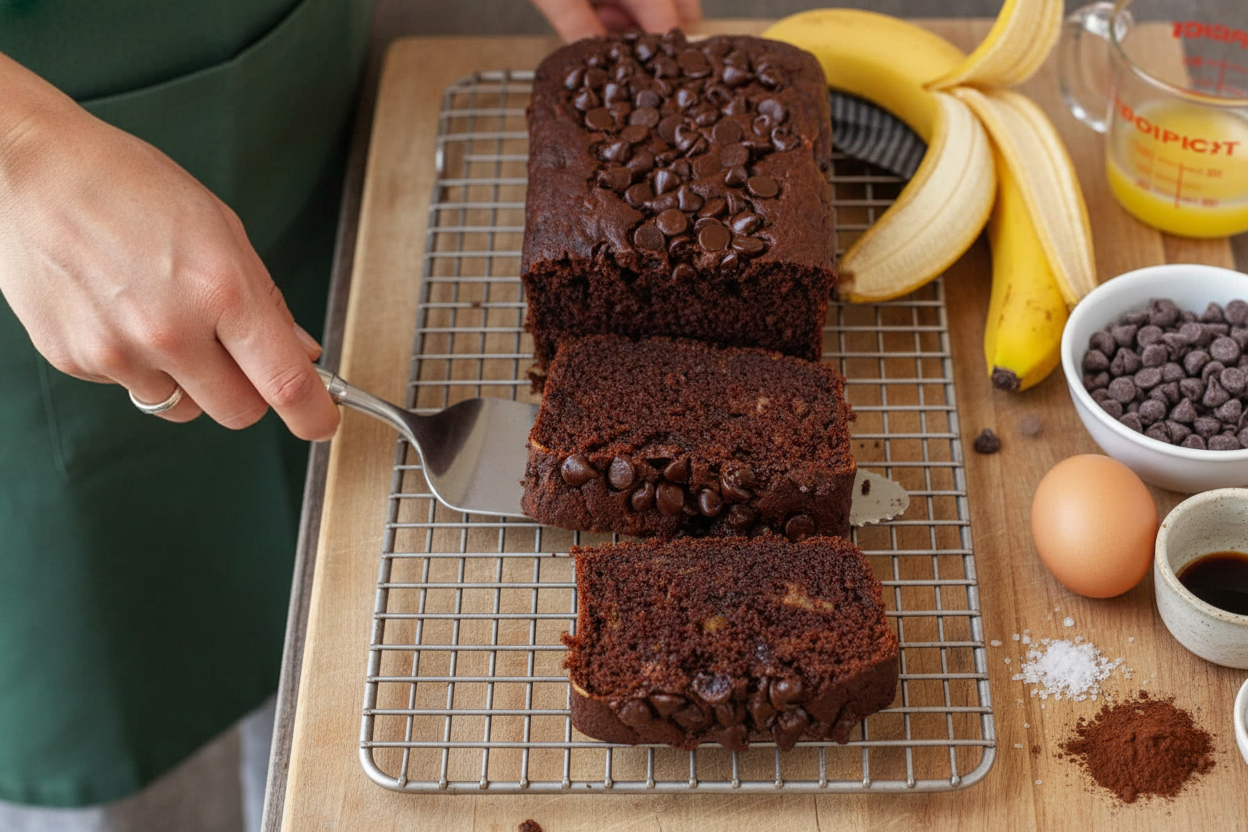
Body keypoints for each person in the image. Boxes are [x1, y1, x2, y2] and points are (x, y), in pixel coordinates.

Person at [0, 0, 700, 829]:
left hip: (290, 90)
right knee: (103, 685)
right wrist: (20, 152)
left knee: (323, 679)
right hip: (40, 222)